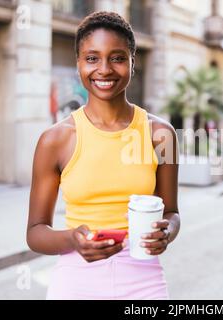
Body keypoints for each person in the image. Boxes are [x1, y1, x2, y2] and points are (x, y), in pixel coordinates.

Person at [27, 11, 180, 300]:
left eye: (118, 57)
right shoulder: (55, 140)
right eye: (92, 58)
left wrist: (167, 232)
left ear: (133, 63)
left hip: (144, 280)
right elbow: (35, 232)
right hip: (75, 280)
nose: (105, 69)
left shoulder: (161, 134)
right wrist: (72, 239)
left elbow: (172, 212)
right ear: (79, 64)